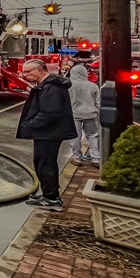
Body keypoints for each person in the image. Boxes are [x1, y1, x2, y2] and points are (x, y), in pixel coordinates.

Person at [16, 59, 78, 211]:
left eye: (28, 72)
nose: (25, 75)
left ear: (40, 70)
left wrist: (31, 124)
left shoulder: (51, 88)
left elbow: (50, 113)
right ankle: (48, 194)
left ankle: (51, 198)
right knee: (43, 162)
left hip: (49, 133)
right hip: (49, 132)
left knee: (46, 164)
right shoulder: (49, 85)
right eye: (24, 72)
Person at [68, 64, 101, 167]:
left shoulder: (69, 86)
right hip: (91, 114)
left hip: (74, 114)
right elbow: (98, 102)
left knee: (75, 136)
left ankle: (77, 158)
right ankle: (96, 158)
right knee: (93, 136)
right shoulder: (93, 86)